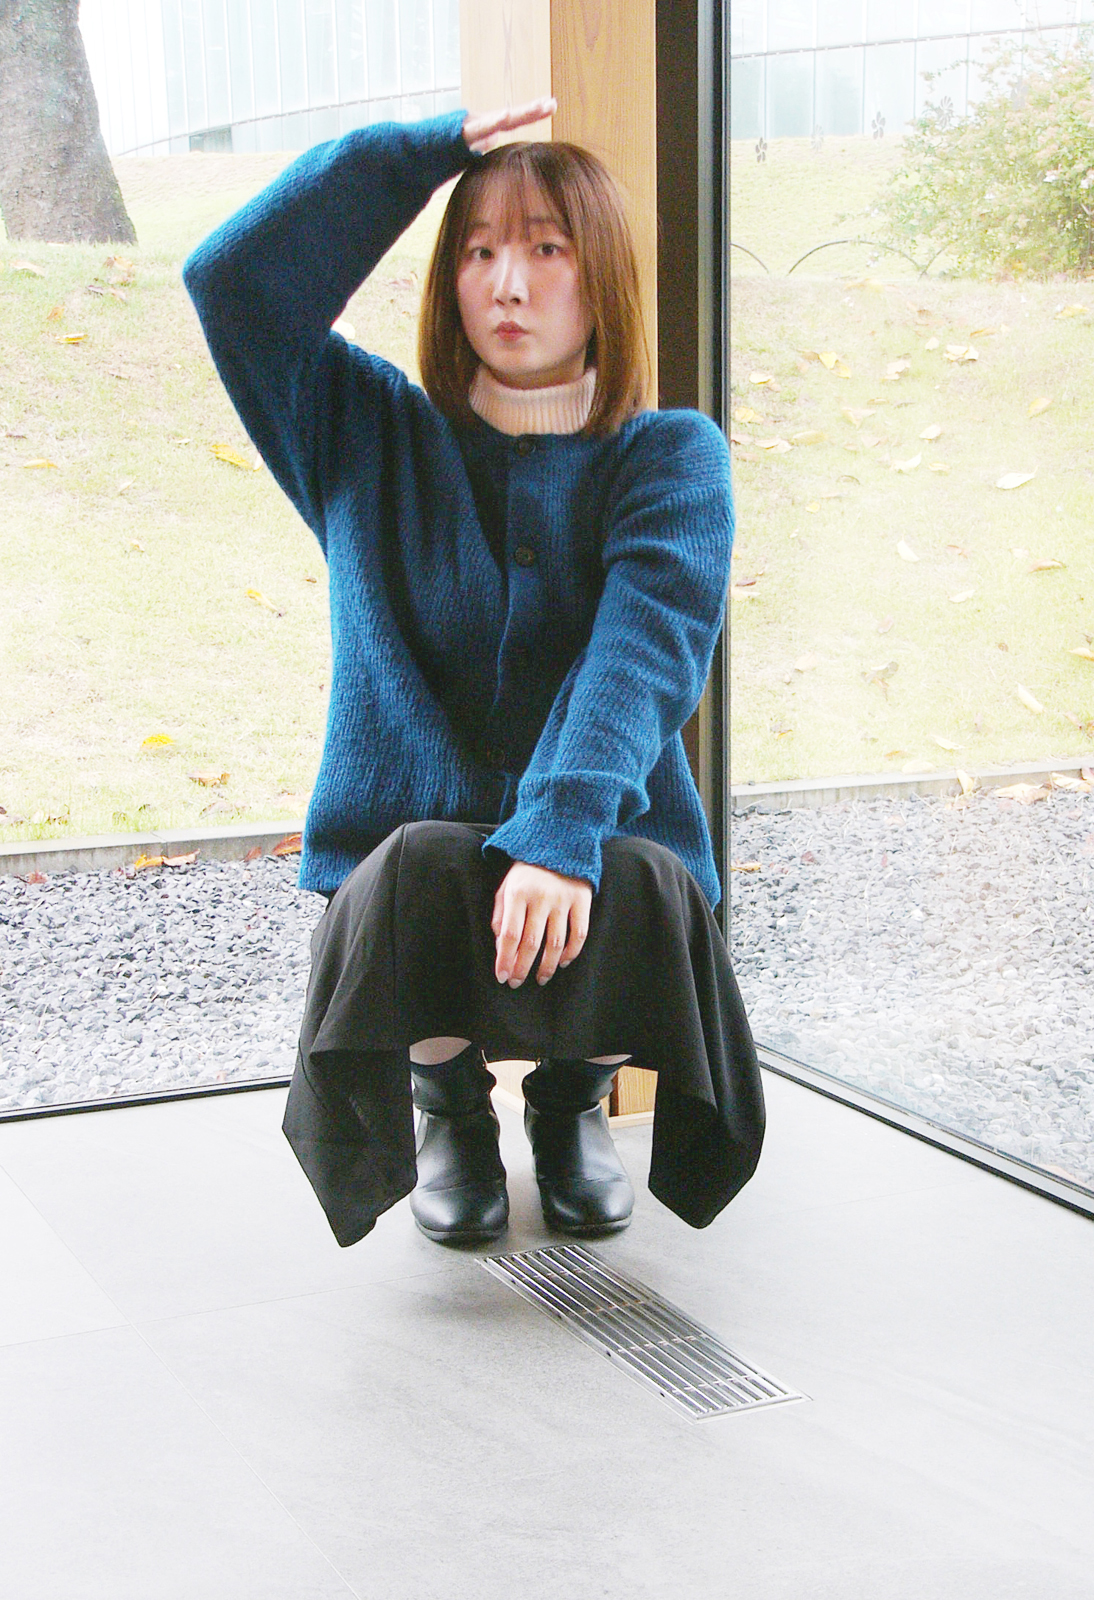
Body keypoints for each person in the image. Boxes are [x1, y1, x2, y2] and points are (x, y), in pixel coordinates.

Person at [183, 98, 765, 1250]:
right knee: (410, 866)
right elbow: (233, 282)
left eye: (547, 249)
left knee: (648, 874)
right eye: (481, 251)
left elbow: (644, 647)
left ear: (601, 275)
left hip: (599, 836)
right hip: (418, 848)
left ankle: (570, 1104)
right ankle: (448, 1108)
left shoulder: (669, 456)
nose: (509, 284)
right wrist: (422, 155)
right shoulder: (364, 433)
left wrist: (560, 829)